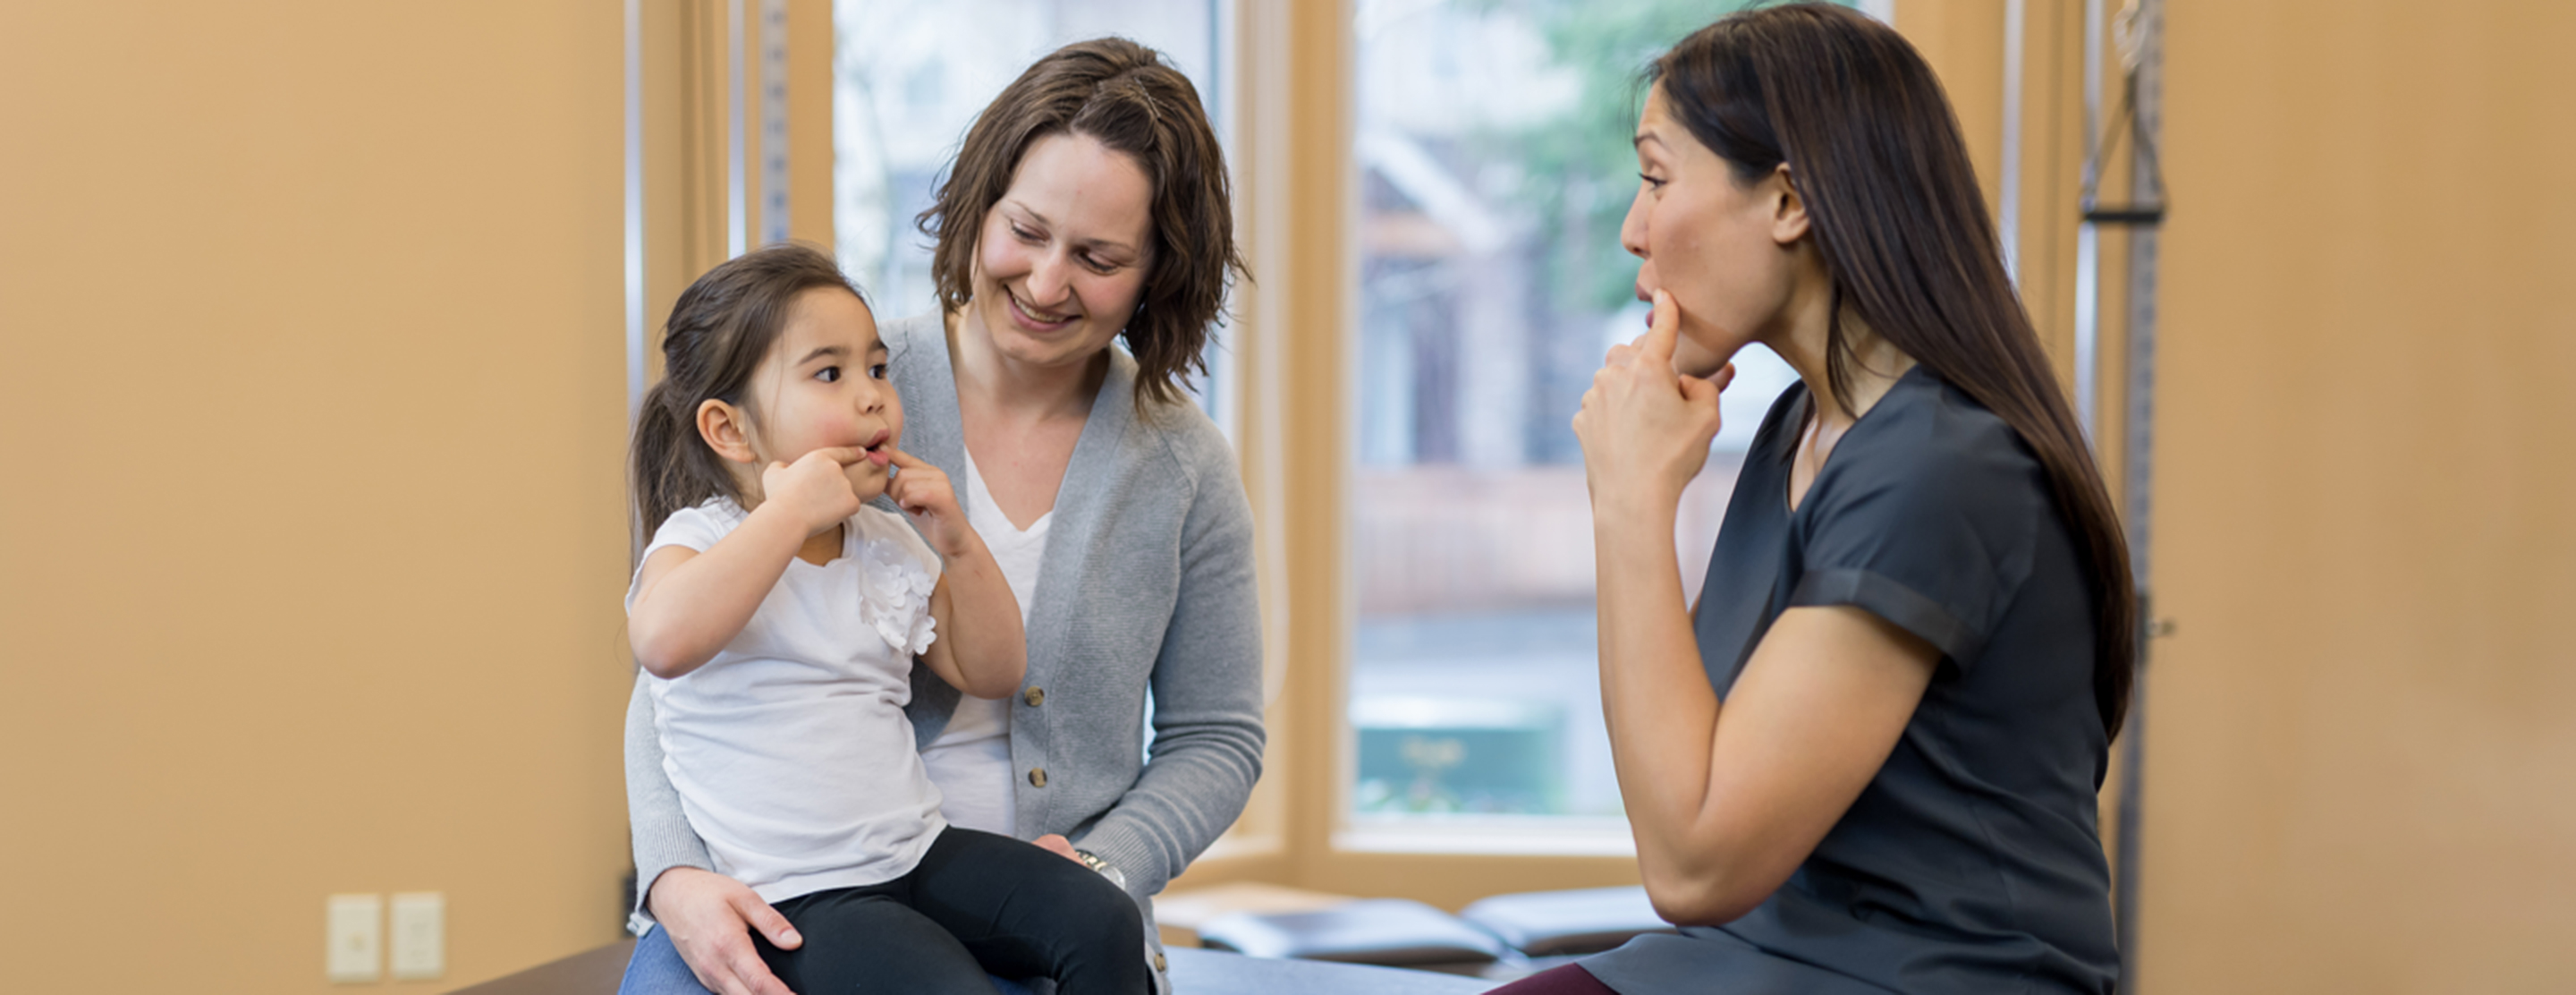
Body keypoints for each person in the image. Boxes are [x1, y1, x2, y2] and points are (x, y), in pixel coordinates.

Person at [1497, 5, 2137, 994]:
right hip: (1757, 961)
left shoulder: (1938, 468)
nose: (1632, 230)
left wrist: (1629, 501)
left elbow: (1695, 865)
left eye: (1657, 180)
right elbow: (1690, 788)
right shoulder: (1797, 429)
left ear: (1790, 201)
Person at [621, 38, 1262, 995]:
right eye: (1026, 230)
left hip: (996, 887)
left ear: (1155, 273)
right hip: (773, 888)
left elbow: (1217, 737)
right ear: (980, 205)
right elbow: (677, 672)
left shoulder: (1181, 466)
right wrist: (674, 874)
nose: (1046, 283)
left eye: (1098, 258)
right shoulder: (832, 390)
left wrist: (1107, 864)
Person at [624, 243, 1147, 995]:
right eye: (829, 374)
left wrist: (959, 544)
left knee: (1102, 919)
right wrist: (788, 516)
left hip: (919, 851)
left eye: (877, 368)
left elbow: (994, 670)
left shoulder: (885, 541)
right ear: (729, 431)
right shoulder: (701, 538)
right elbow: (662, 644)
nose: (873, 396)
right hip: (801, 891)